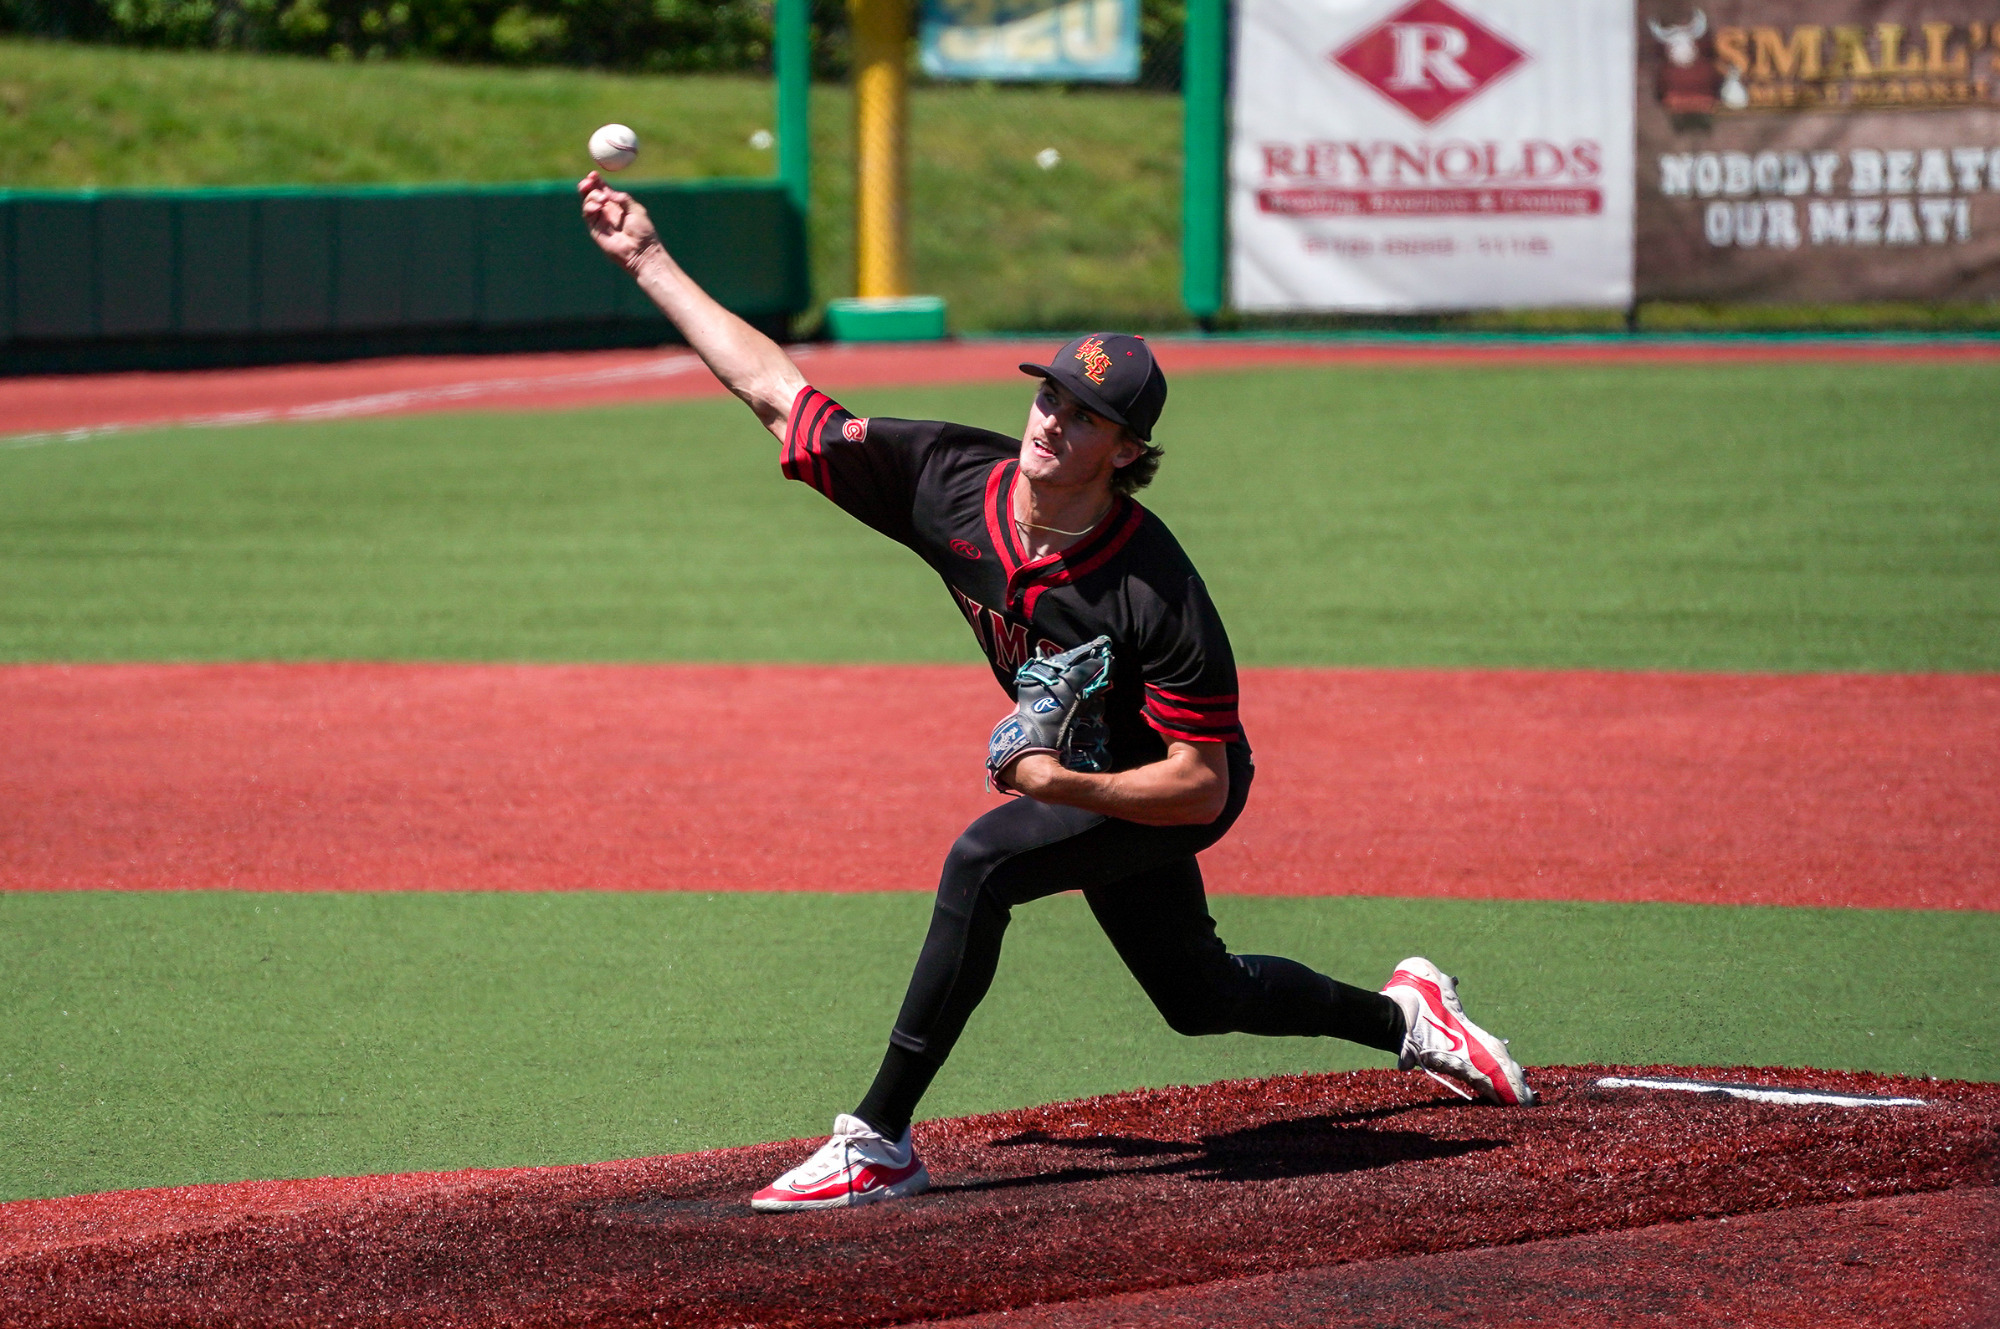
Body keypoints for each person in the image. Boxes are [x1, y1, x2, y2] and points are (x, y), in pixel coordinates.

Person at [577, 172, 1535, 1213]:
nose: (1053, 424)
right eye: (1050, 398)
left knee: (982, 864)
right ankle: (1409, 1017)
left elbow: (1203, 787)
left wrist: (1058, 786)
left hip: (1162, 784)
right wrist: (647, 260)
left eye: (1086, 418)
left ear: (1127, 451)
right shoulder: (946, 480)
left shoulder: (1154, 591)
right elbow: (776, 394)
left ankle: (877, 1140)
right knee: (1198, 995)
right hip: (1084, 770)